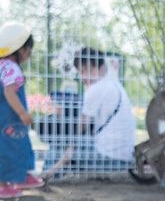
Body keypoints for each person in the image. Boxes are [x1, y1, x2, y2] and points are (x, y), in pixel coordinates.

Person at [42, 47, 136, 176]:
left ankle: (48, 177)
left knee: (59, 141)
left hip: (108, 158)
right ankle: (50, 176)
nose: (82, 76)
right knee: (67, 144)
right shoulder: (114, 85)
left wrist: (69, 149)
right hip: (123, 157)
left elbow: (81, 127)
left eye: (87, 70)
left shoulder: (96, 89)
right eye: (81, 71)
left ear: (102, 68)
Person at [0, 21, 44, 199]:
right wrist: (22, 112)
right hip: (9, 119)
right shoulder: (13, 69)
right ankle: (2, 185)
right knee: (12, 149)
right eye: (27, 52)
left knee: (16, 147)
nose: (27, 55)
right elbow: (8, 92)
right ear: (21, 50)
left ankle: (21, 176)